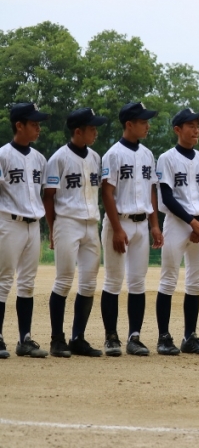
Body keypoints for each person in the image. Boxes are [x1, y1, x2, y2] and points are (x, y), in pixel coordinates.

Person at [100, 102, 164, 357]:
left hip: (141, 223)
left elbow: (151, 190)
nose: (147, 125)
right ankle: (111, 337)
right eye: (143, 121)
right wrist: (116, 229)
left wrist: (155, 225)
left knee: (138, 282)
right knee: (114, 280)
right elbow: (107, 192)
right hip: (120, 222)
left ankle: (134, 337)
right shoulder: (113, 154)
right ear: (129, 124)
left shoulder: (148, 154)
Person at [43, 108, 107, 358]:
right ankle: (57, 340)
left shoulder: (95, 157)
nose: (95, 132)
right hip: (67, 222)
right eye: (91, 128)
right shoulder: (58, 158)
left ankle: (78, 338)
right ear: (78, 131)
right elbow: (49, 197)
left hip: (91, 224)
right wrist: (53, 229)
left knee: (89, 283)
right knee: (64, 280)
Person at [155, 108, 199, 356]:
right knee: (168, 280)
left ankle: (190, 337)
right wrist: (193, 223)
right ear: (177, 130)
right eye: (191, 125)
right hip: (177, 224)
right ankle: (163, 337)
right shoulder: (167, 158)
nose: (196, 129)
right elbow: (167, 197)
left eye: (198, 125)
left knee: (195, 283)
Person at [0, 102, 50, 359]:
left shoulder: (39, 159)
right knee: (3, 281)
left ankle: (25, 339)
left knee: (27, 284)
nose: (38, 128)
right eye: (33, 123)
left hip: (33, 225)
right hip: (9, 223)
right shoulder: (3, 155)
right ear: (19, 125)